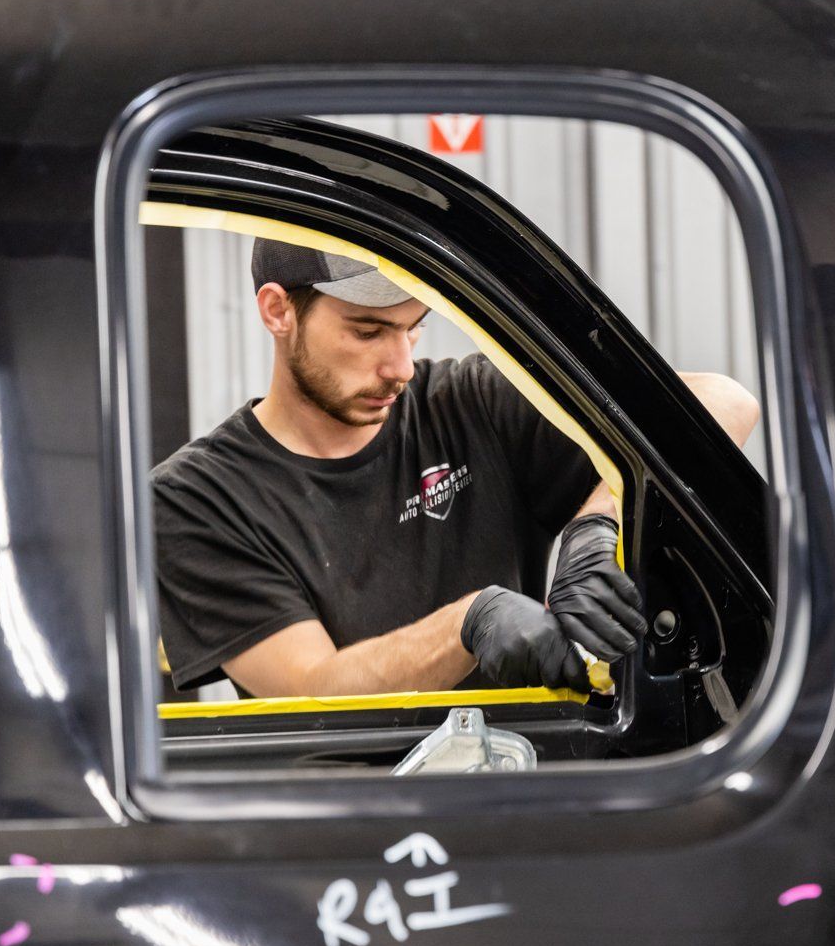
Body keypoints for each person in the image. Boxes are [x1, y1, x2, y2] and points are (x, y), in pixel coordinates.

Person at [151, 238, 759, 699]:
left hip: (523, 790)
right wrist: (469, 623)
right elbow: (312, 691)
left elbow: (725, 405)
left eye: (412, 331)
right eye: (368, 332)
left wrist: (601, 523)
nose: (401, 367)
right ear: (278, 310)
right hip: (344, 829)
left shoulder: (470, 403)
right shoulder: (197, 498)